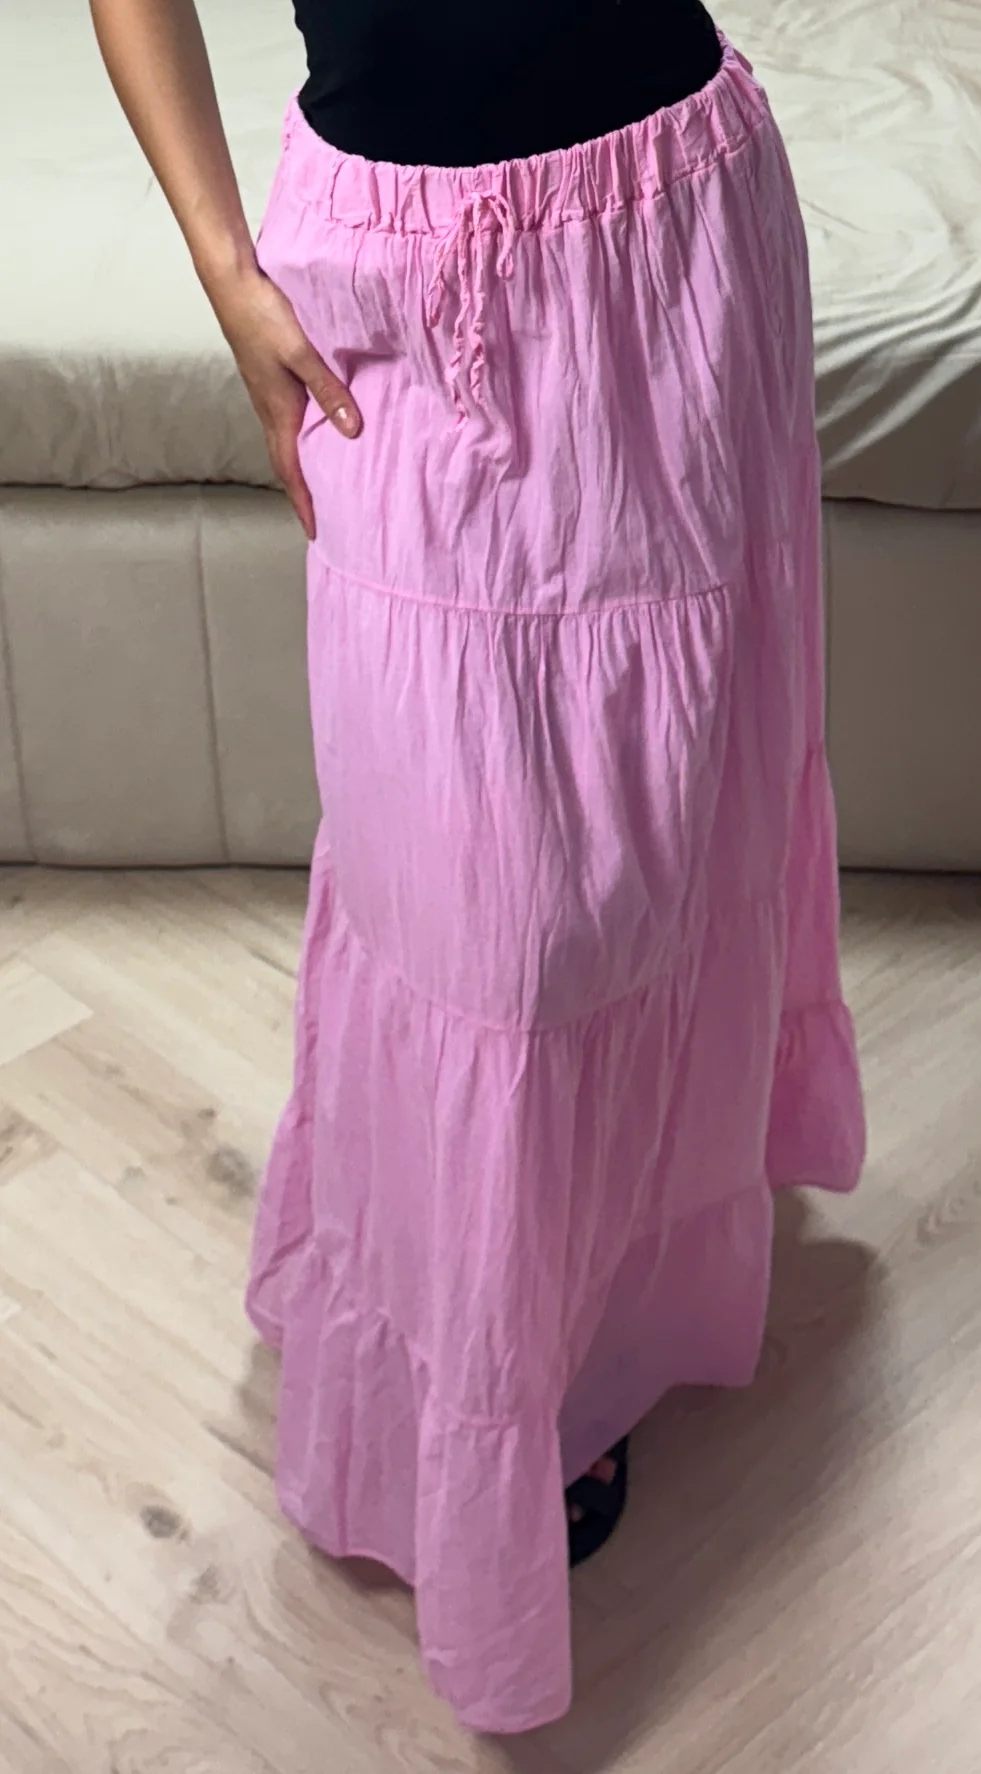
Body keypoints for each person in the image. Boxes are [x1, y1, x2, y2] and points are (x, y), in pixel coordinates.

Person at [91, 0, 866, 1734]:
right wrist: (223, 265)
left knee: (675, 822)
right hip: (390, 265)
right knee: (481, 920)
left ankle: (618, 1295)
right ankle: (482, 1365)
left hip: (668, 217)